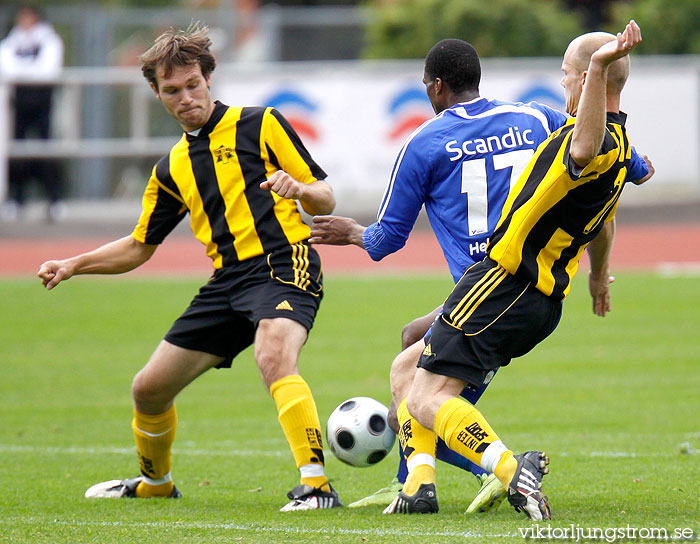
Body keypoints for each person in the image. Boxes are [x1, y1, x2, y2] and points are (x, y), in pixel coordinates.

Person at [309, 37, 651, 513]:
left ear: (435, 88)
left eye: (567, 73)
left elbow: (386, 240)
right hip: (542, 288)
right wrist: (599, 275)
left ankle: (504, 471)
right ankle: (415, 486)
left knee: (424, 397)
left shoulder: (424, 143)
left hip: (495, 281)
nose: (563, 82)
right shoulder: (542, 119)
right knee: (410, 353)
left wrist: (350, 232)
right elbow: (613, 195)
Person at [37, 23, 341, 512]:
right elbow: (139, 246)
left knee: (274, 354)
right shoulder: (171, 168)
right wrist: (75, 264)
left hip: (284, 263)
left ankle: (317, 486)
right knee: (149, 389)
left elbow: (325, 194)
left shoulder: (260, 123)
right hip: (227, 283)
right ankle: (156, 482)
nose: (186, 98)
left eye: (193, 85)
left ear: (208, 78)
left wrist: (300, 190)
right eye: (172, 91)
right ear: (157, 94)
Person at [0, 5, 64, 222]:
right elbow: (6, 68)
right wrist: (29, 71)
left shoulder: (49, 40)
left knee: (46, 150)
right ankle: (16, 200)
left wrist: (23, 71)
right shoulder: (12, 41)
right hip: (17, 103)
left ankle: (54, 200)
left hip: (42, 103)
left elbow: (48, 71)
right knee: (16, 152)